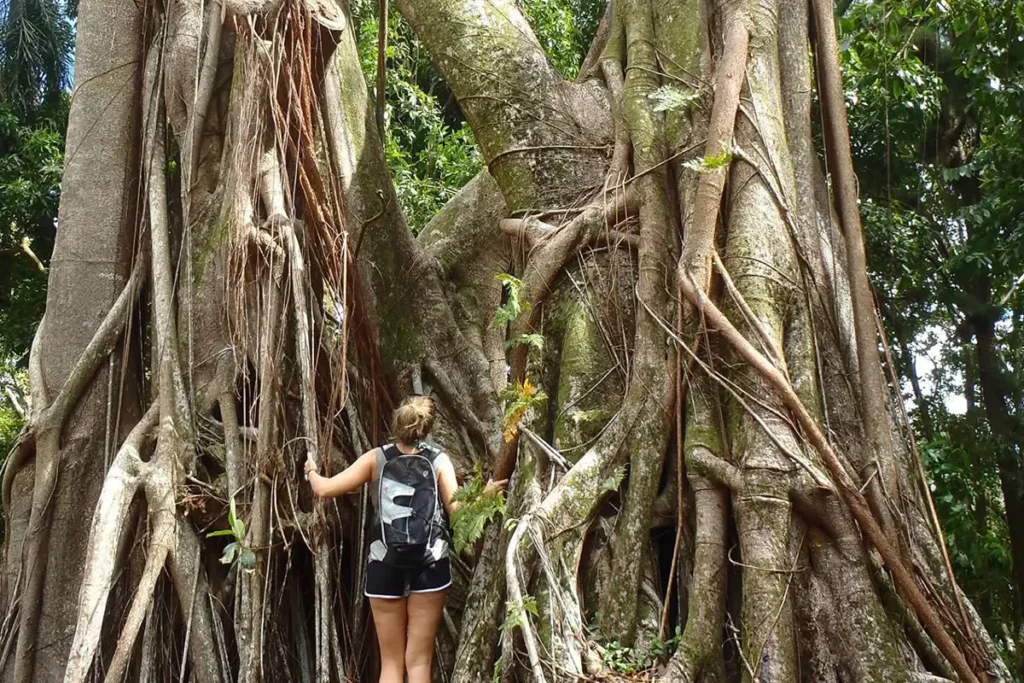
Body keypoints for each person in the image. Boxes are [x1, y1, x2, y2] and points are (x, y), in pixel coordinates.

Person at [304, 395, 505, 683]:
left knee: (391, 663)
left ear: (396, 423)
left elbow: (324, 489)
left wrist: (311, 471)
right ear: (427, 427)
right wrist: (485, 497)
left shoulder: (377, 458)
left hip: (385, 563)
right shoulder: (439, 460)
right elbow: (458, 514)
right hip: (430, 563)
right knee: (420, 661)